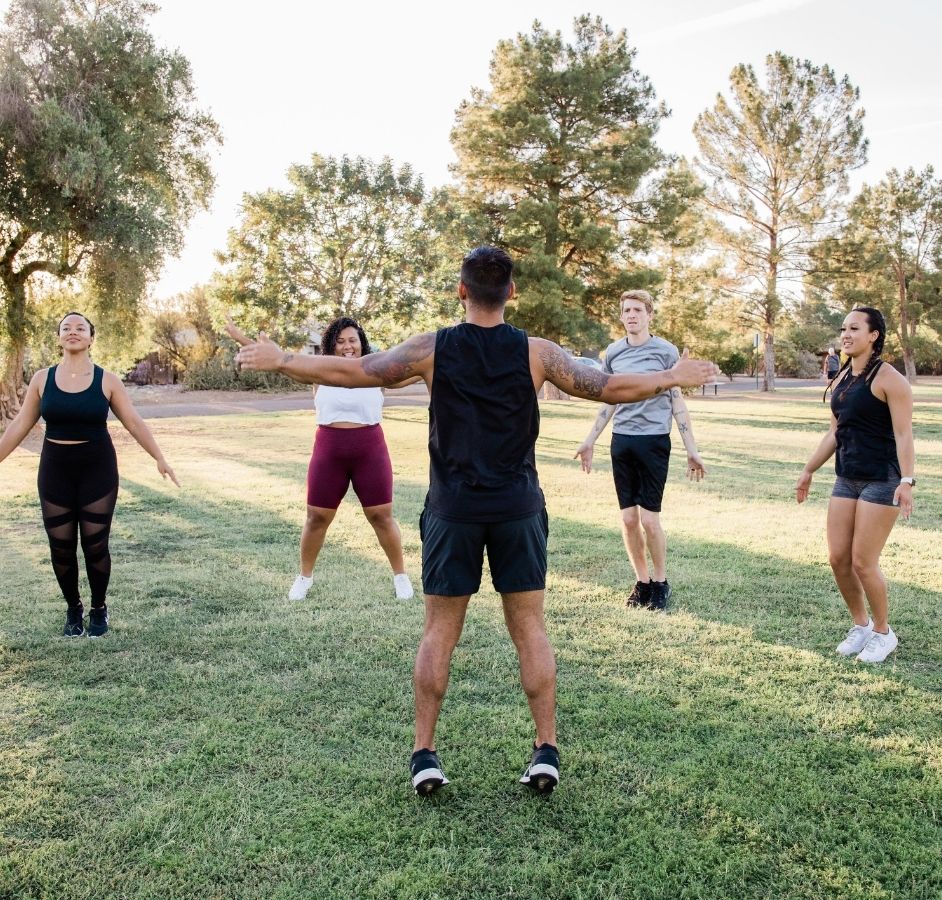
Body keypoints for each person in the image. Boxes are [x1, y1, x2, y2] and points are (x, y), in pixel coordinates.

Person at [232, 247, 719, 795]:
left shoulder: (431, 349)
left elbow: (357, 371)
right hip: (518, 510)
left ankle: (424, 755)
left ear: (461, 291)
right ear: (511, 292)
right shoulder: (538, 353)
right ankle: (546, 749)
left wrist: (282, 359)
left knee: (439, 630)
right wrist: (671, 376)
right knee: (530, 629)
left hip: (453, 512)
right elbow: (605, 387)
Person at [0, 312, 179, 637]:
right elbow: (21, 424)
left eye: (80, 328)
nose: (73, 331)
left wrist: (159, 457)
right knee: (61, 547)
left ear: (91, 338)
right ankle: (73, 608)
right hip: (55, 470)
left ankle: (98, 608)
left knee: (96, 546)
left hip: (98, 469)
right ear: (59, 337)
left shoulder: (107, 380)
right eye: (66, 327)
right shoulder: (41, 379)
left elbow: (133, 421)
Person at [573, 290, 706, 611]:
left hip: (654, 441)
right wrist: (590, 439)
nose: (631, 315)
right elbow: (609, 399)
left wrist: (692, 449)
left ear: (649, 315)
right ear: (621, 316)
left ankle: (660, 583)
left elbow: (677, 402)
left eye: (637, 310)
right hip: (622, 441)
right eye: (627, 311)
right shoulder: (613, 353)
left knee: (649, 519)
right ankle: (642, 582)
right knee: (628, 519)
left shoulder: (666, 351)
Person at [796, 306, 914, 664]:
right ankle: (861, 625)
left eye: (854, 329)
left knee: (864, 562)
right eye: (843, 329)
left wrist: (907, 481)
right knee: (838, 559)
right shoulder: (843, 379)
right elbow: (835, 433)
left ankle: (883, 632)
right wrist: (808, 470)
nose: (846, 335)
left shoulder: (890, 379)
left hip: (882, 478)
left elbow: (904, 434)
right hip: (846, 477)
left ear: (873, 335)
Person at [275, 316, 414, 602]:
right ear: (331, 345)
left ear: (362, 343)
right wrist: (271, 357)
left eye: (352, 340)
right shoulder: (321, 372)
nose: (347, 346)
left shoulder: (376, 371)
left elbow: (412, 373)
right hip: (329, 450)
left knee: (381, 516)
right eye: (340, 341)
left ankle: (401, 576)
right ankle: (304, 578)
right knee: (316, 518)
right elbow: (289, 366)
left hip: (370, 449)